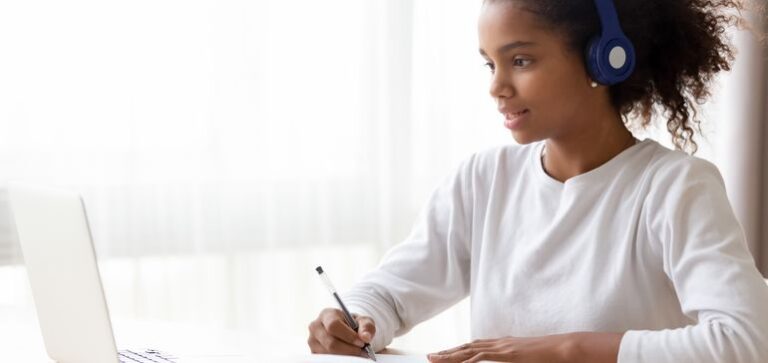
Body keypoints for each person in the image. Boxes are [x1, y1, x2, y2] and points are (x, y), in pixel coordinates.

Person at [307, 0, 768, 362]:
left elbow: (747, 341)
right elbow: (390, 292)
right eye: (491, 64)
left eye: (521, 60)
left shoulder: (675, 187)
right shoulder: (484, 181)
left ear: (604, 61)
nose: (496, 87)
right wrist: (356, 318)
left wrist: (565, 349)